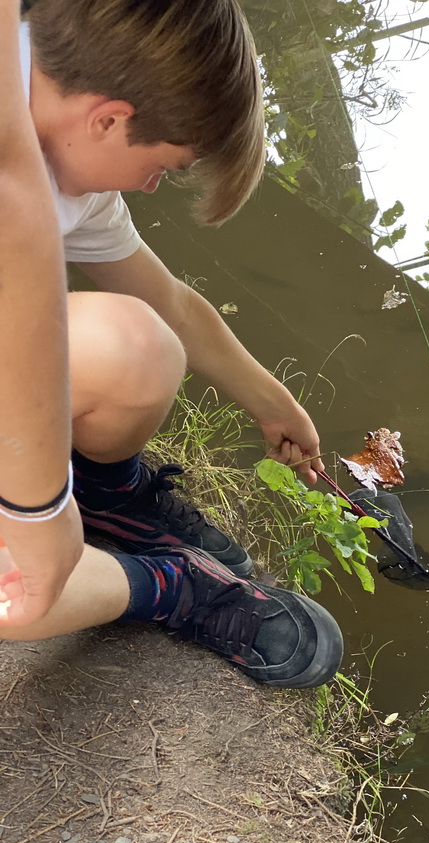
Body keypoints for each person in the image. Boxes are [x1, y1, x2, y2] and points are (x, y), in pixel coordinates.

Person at [0, 0, 343, 689]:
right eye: (164, 165)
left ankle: (107, 497)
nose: (154, 185)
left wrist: (275, 405)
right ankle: (167, 585)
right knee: (18, 580)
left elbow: (173, 305)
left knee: (141, 344)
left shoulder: (70, 167)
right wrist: (34, 510)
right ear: (108, 118)